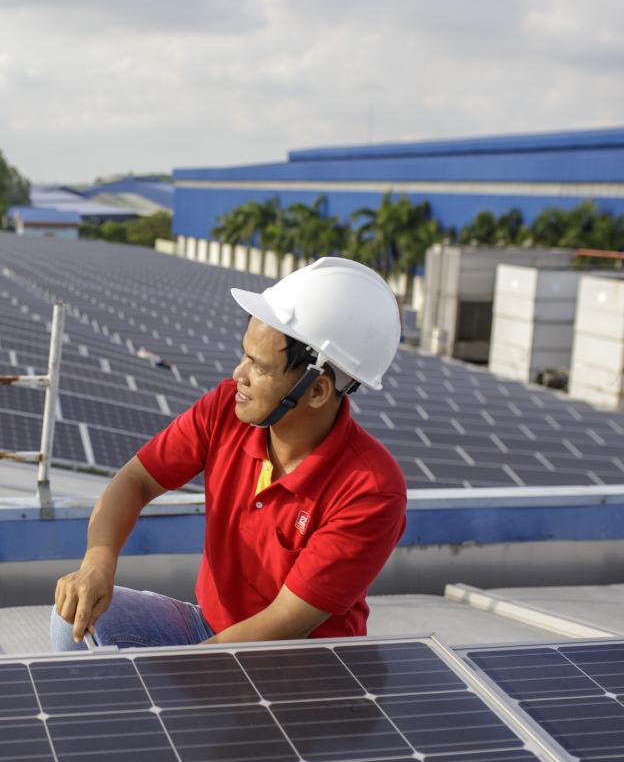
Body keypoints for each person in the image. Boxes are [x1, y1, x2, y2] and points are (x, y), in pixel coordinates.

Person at [52, 257, 406, 649]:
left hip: (299, 662)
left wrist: (184, 677)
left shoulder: (370, 490)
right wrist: (97, 564)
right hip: (210, 627)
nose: (239, 374)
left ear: (317, 390)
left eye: (259, 366)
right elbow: (136, 481)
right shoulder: (225, 409)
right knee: (74, 614)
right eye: (244, 355)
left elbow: (286, 622)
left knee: (170, 700)